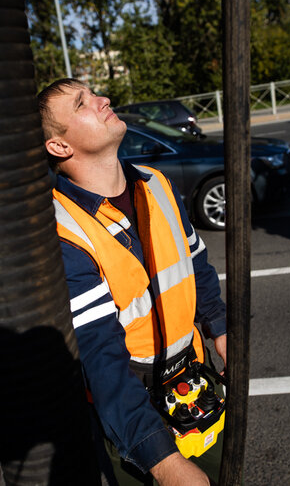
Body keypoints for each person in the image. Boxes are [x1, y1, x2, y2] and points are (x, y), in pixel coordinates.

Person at [38, 78, 228, 485]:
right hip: (138, 415)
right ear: (59, 146)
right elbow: (101, 360)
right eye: (82, 103)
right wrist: (165, 463)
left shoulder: (157, 184)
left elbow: (196, 265)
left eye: (95, 93)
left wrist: (222, 331)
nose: (102, 99)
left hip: (198, 382)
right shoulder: (63, 232)